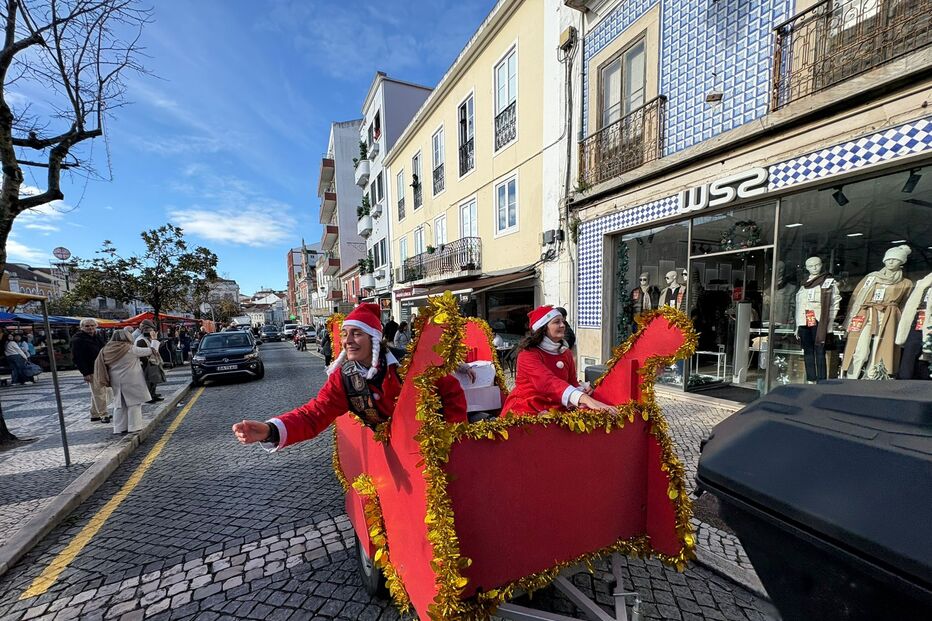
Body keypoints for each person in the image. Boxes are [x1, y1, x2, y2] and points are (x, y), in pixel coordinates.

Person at [233, 304, 467, 450]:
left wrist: (451, 441)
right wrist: (270, 430)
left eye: (357, 334)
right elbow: (314, 414)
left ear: (375, 338)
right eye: (345, 334)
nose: (347, 340)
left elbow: (451, 390)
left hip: (434, 447)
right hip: (393, 453)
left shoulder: (411, 363)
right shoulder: (343, 378)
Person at [501, 305, 612, 416]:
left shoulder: (565, 352)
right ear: (543, 328)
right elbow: (548, 382)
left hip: (556, 408)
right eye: (557, 322)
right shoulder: (528, 354)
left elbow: (572, 381)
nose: (563, 325)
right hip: (527, 409)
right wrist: (584, 399)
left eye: (563, 321)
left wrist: (583, 390)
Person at [95, 329, 159, 434]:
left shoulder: (105, 350)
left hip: (115, 380)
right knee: (134, 403)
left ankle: (119, 427)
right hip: (132, 379)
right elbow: (151, 351)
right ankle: (134, 426)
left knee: (119, 404)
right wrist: (154, 339)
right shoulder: (130, 349)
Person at [71, 319, 111, 422]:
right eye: (87, 326)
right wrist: (85, 373)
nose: (90, 328)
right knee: (99, 392)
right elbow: (77, 358)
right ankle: (104, 414)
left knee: (99, 392)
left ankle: (95, 414)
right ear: (82, 327)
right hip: (91, 369)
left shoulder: (97, 336)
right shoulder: (77, 339)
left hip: (101, 368)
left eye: (92, 325)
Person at [133, 319, 162, 403]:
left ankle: (153, 394)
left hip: (152, 362)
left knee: (153, 380)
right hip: (146, 363)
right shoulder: (141, 340)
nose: (151, 331)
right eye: (150, 329)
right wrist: (147, 363)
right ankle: (149, 397)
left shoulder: (147, 338)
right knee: (148, 381)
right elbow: (143, 353)